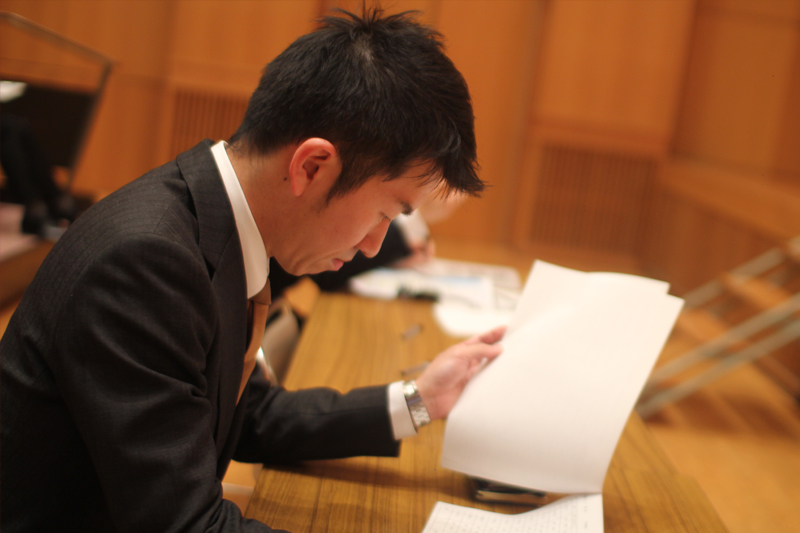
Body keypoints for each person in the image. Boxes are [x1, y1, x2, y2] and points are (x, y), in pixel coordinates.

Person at [0, 7, 504, 533]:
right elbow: (187, 525)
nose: (377, 245)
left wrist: (421, 400)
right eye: (385, 213)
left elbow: (252, 416)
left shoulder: (215, 222)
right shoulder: (146, 265)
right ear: (311, 166)